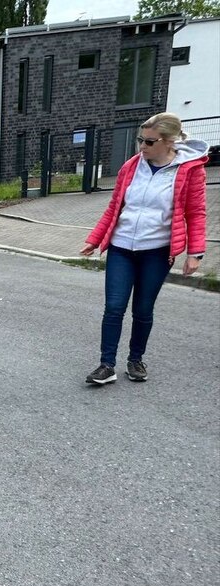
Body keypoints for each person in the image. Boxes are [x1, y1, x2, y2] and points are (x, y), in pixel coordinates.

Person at [80, 112, 207, 385]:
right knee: (114, 307)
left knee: (143, 309)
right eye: (141, 140)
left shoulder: (190, 170)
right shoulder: (131, 167)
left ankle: (135, 359)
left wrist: (195, 253)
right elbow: (115, 207)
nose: (142, 147)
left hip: (157, 251)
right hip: (121, 247)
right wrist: (95, 238)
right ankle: (106, 364)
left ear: (169, 142)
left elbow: (196, 213)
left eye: (149, 142)